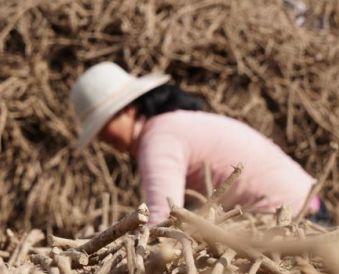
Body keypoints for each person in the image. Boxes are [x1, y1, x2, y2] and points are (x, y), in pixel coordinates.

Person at [70, 62, 323, 226]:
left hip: (299, 220)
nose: (102, 137)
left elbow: (162, 218)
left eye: (103, 126)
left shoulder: (159, 138)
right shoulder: (171, 126)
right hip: (304, 207)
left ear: (127, 109)